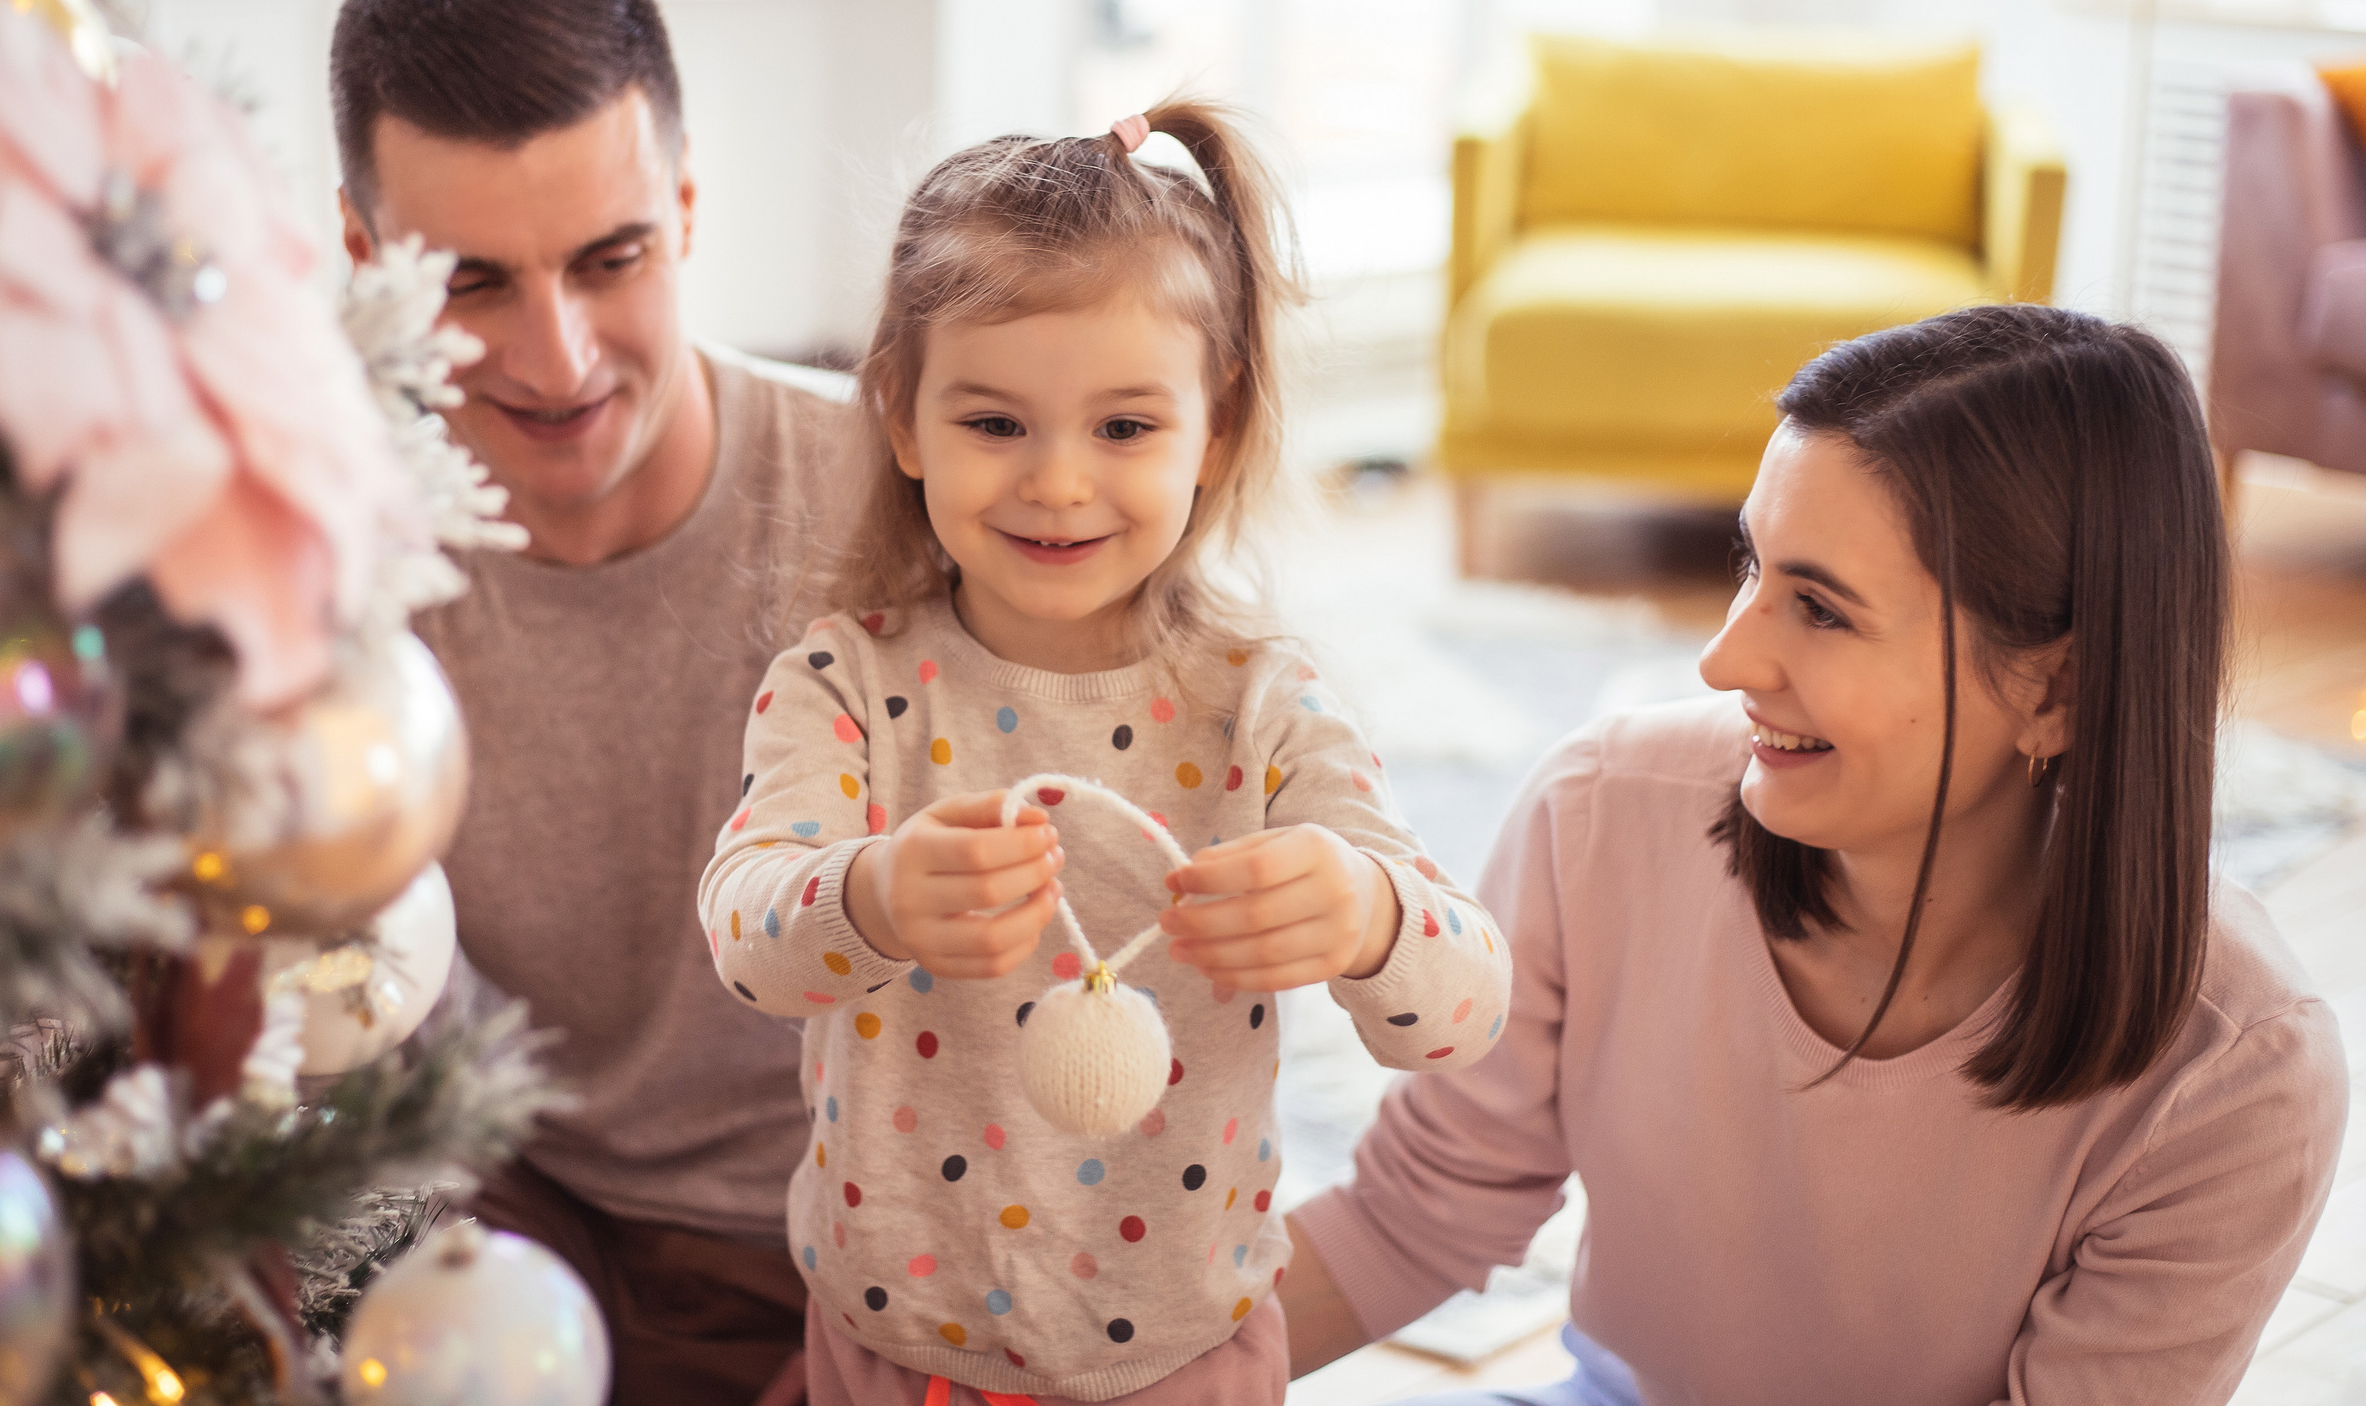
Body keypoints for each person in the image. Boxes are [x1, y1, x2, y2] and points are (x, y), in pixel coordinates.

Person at [1276, 304, 2350, 1406]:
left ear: (2058, 689)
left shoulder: (2238, 1075)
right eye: (1752, 565)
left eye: (1820, 610)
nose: (1721, 654)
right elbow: (1417, 1209)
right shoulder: (1604, 812)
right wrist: (1143, 1375)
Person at [696, 102, 1513, 1405]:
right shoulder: (843, 680)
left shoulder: (1264, 703)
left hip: (1182, 1356)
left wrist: (1366, 911)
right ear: (906, 420)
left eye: (1126, 427)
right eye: (996, 423)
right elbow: (747, 938)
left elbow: (1465, 1008)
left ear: (1218, 429)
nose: (1061, 482)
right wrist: (876, 891)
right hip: (892, 1347)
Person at [332, 0, 851, 1406]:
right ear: (366, 259)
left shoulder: (901, 503)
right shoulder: (313, 552)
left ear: (686, 209)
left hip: (835, 1249)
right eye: (471, 281)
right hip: (476, 1236)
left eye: (611, 260)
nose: (554, 360)